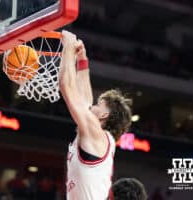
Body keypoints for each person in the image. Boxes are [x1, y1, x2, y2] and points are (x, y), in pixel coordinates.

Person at [59, 30, 133, 199]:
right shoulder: (98, 136)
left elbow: (66, 85)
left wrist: (68, 49)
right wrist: (82, 61)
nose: (92, 106)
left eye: (98, 104)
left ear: (104, 114)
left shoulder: (96, 135)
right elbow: (84, 100)